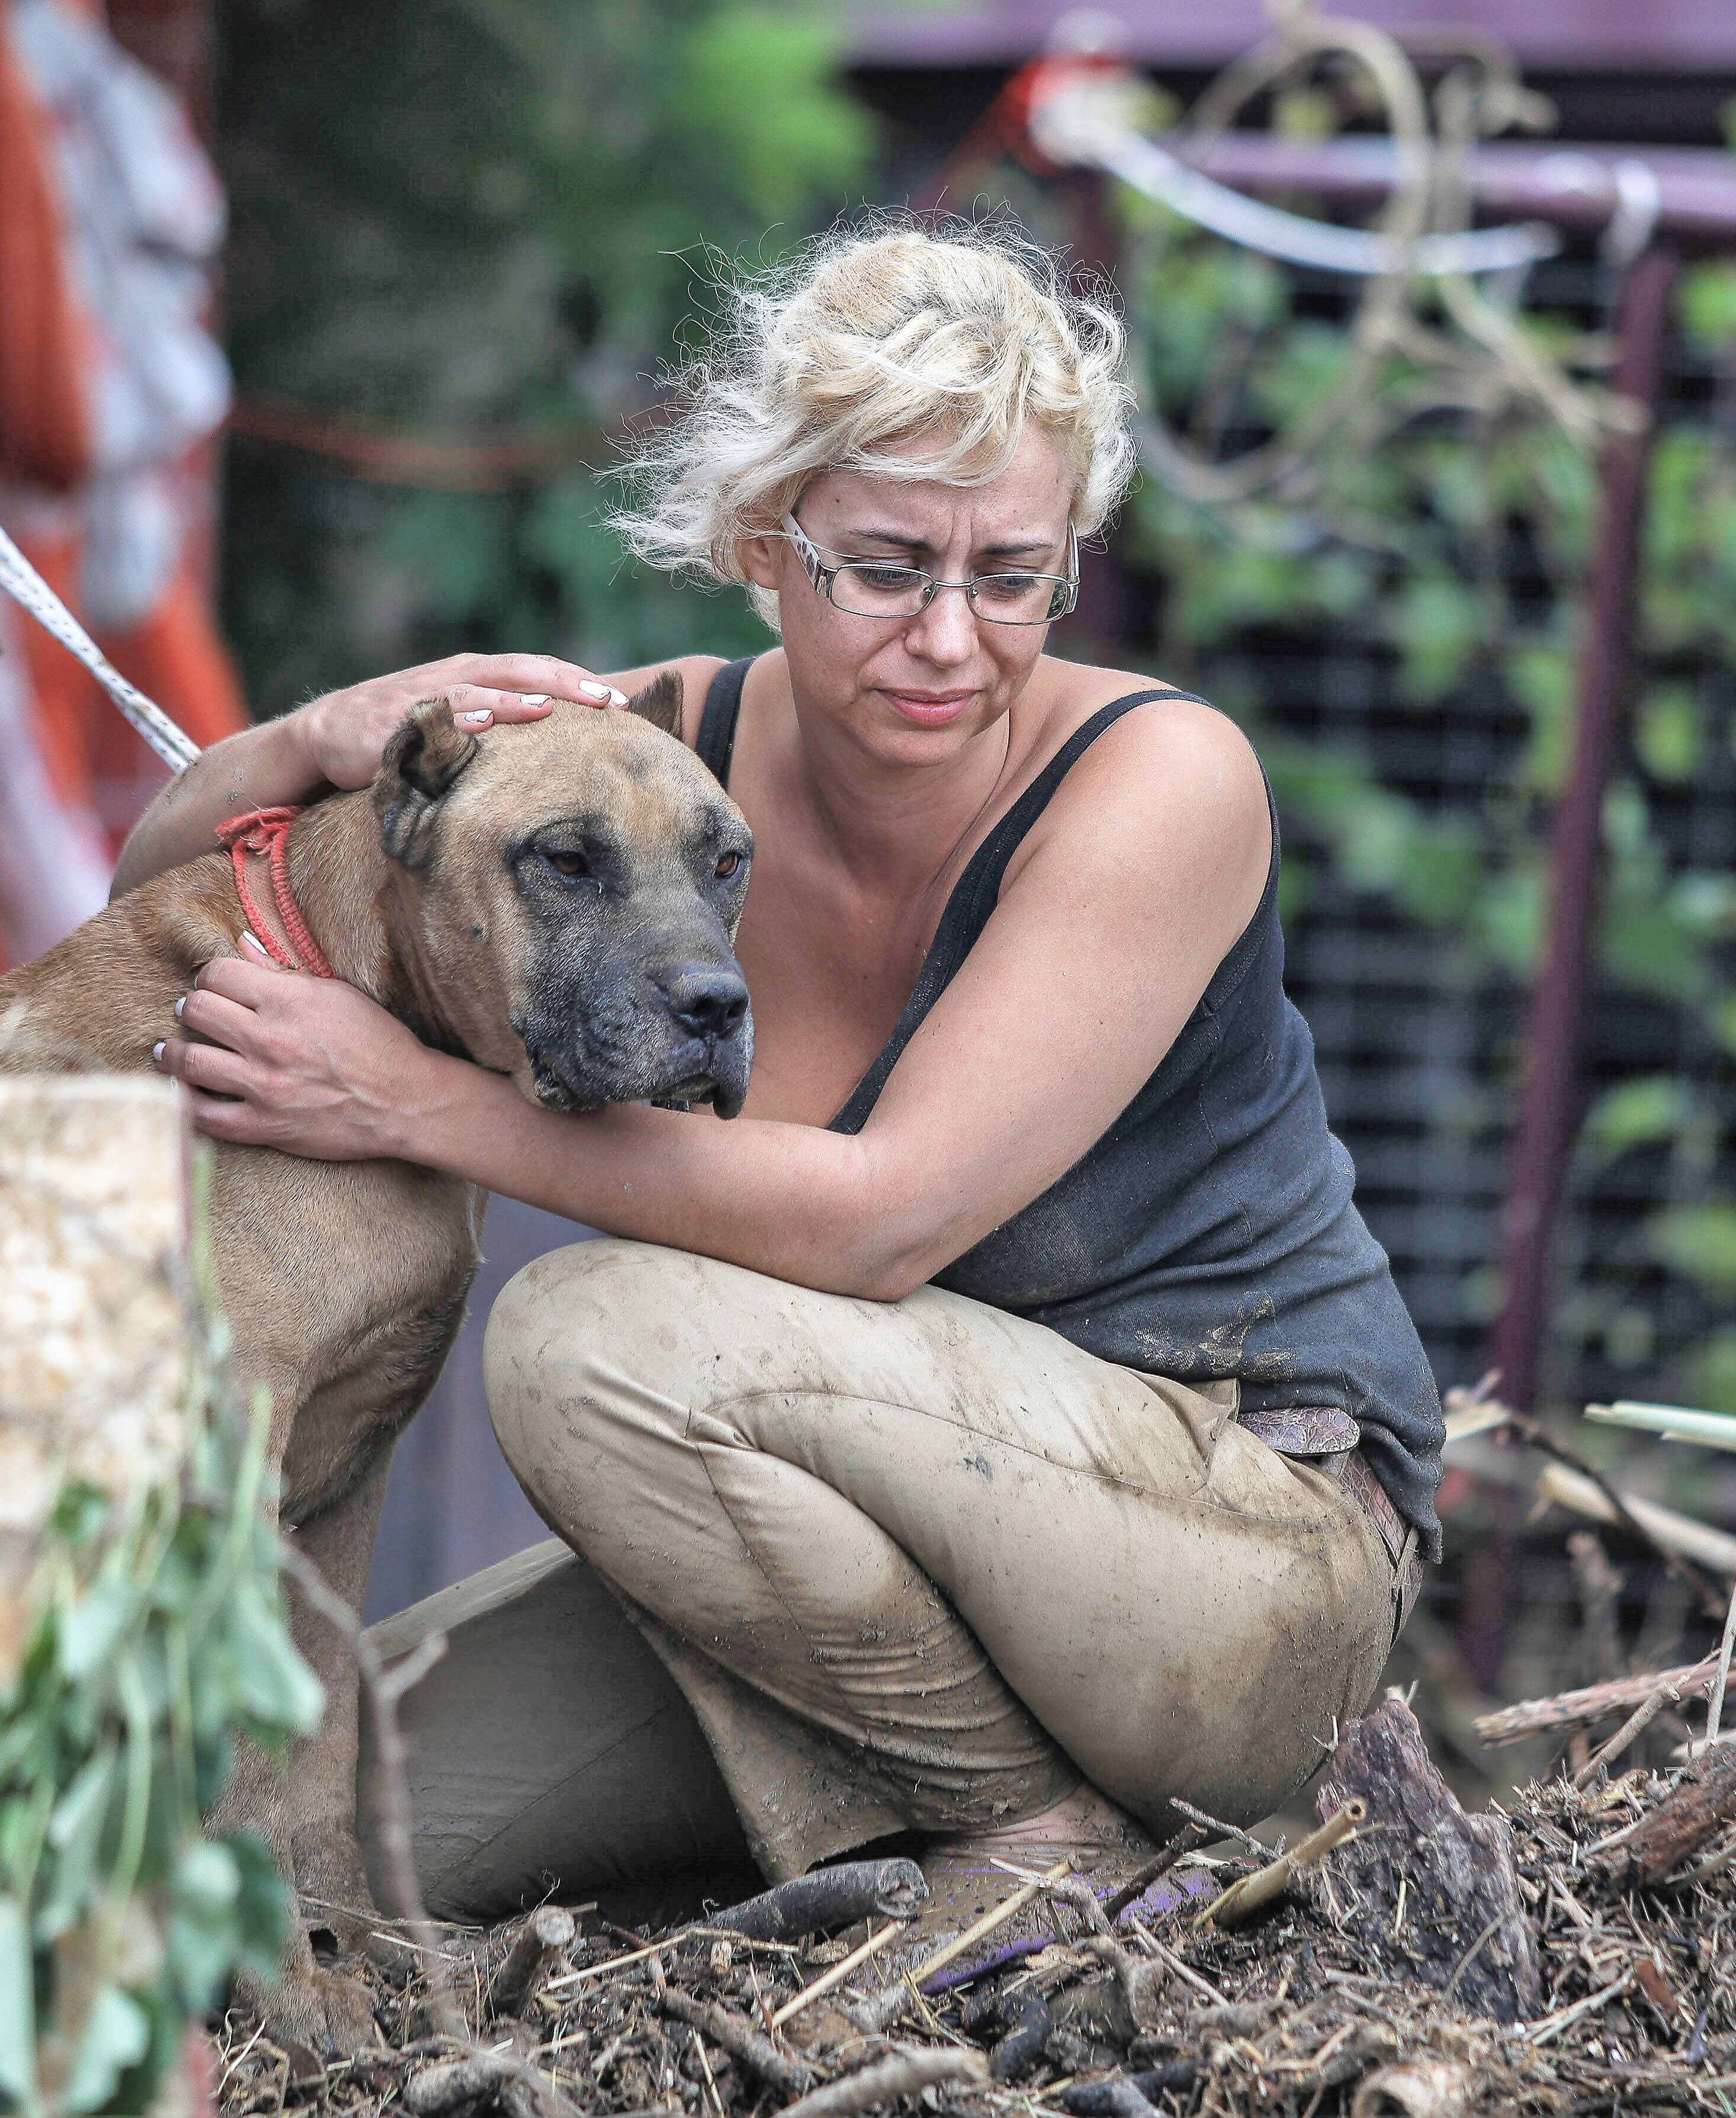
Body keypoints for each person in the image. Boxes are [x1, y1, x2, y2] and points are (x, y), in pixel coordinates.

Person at [115, 222, 1442, 1932]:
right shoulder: (638, 769)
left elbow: (880, 1223)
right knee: (301, 1869)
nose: (951, 639)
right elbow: (160, 896)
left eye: (1012, 575)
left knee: (588, 1337)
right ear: (765, 539)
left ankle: (1029, 1843)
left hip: (1238, 1558)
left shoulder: (1162, 780)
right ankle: (859, 1825)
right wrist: (317, 739)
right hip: (856, 1550)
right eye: (886, 566)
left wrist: (412, 1102)